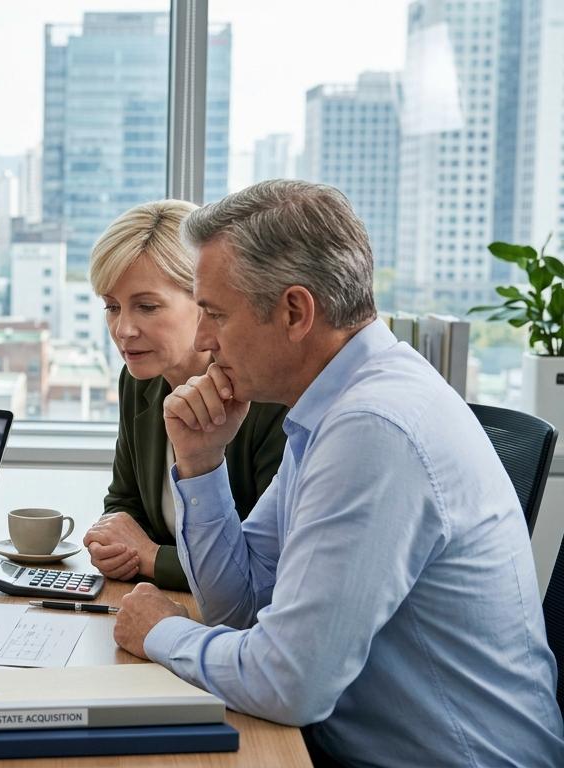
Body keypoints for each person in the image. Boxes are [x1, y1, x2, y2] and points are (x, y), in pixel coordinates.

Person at [111, 180, 564, 765]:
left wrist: (159, 630)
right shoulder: (333, 408)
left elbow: (287, 684)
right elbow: (240, 607)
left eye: (215, 314)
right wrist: (201, 463)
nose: (203, 339)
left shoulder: (373, 429)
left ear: (295, 311)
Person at [83, 200, 286, 591]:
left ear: (204, 302)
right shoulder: (140, 380)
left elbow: (266, 566)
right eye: (112, 307)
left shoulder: (267, 397)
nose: (123, 329)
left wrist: (152, 558)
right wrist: (112, 542)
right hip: (159, 600)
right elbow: (124, 502)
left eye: (146, 306)